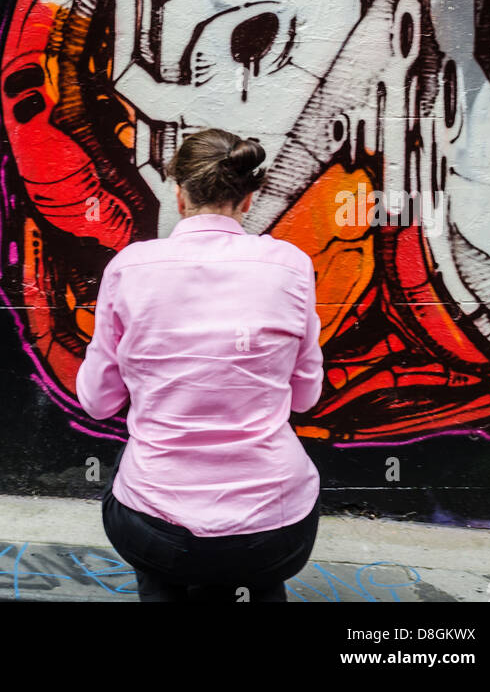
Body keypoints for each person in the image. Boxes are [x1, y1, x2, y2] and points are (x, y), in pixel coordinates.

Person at [75, 127, 324, 603]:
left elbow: (98, 401)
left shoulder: (129, 268)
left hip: (158, 530)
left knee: (158, 552)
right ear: (248, 200)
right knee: (256, 572)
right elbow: (307, 396)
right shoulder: (290, 266)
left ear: (178, 195)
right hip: (276, 531)